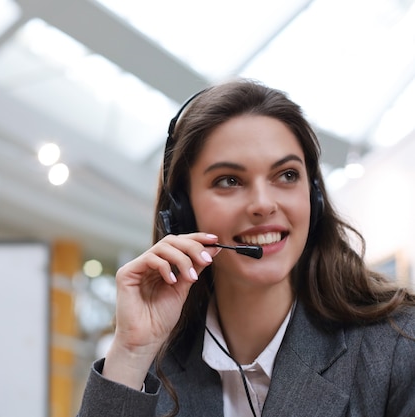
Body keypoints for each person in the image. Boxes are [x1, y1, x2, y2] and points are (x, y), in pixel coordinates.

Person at [76, 78, 415, 417]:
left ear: (314, 197)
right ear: (182, 211)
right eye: (229, 181)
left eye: (286, 175)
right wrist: (132, 352)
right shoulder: (144, 375)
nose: (263, 204)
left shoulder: (399, 350)